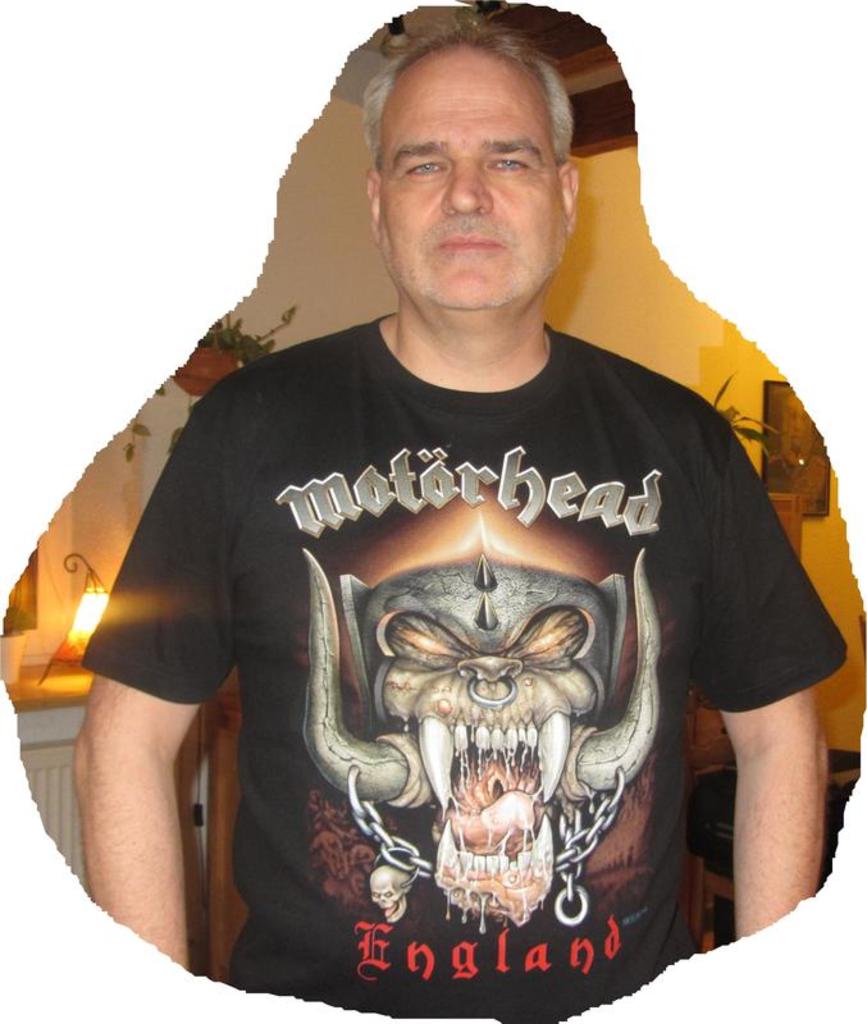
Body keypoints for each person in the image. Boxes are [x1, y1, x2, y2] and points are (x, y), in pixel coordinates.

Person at [75, 22, 845, 1024]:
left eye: (508, 158)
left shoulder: (683, 439)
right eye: (425, 161)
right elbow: (123, 742)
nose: (467, 194)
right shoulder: (245, 427)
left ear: (566, 196)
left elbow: (781, 734)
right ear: (377, 202)